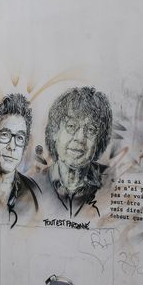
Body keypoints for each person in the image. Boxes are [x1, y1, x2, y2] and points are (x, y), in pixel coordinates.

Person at [44, 86, 112, 217]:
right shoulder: (35, 185)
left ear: (99, 140)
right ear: (54, 132)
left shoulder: (112, 183)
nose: (80, 138)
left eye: (91, 130)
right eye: (71, 126)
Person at [0, 93, 41, 227]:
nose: (12, 146)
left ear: (24, 148)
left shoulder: (34, 192)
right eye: (5, 135)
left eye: (19, 138)